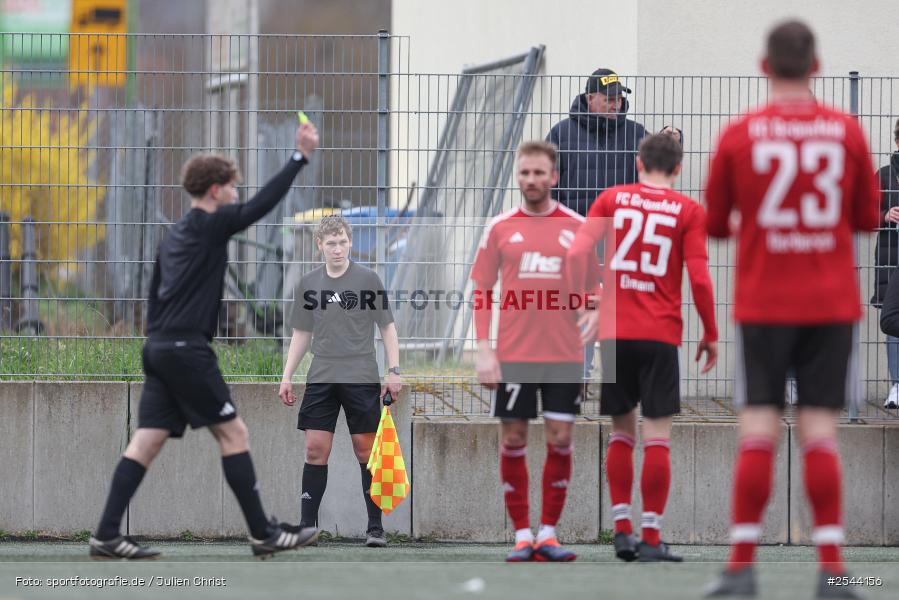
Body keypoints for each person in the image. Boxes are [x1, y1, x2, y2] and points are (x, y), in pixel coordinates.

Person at [702, 20, 879, 599]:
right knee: (819, 432)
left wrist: (759, 224)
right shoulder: (846, 131)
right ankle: (833, 572)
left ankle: (740, 569)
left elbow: (715, 224)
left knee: (758, 428)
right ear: (817, 67)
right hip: (830, 302)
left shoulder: (740, 133)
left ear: (763, 66)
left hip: (764, 301)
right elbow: (867, 218)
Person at [89, 123, 321, 560]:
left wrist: (162, 345)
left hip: (158, 348)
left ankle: (105, 534)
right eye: (232, 186)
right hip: (185, 351)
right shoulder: (212, 225)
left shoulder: (175, 233)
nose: (237, 193)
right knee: (234, 433)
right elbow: (262, 205)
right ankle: (263, 533)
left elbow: (154, 295)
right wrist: (299, 157)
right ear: (215, 190)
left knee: (147, 439)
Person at [566, 133, 718, 563]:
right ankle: (651, 536)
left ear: (638, 163)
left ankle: (621, 530)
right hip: (660, 334)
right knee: (657, 438)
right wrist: (710, 332)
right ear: (678, 168)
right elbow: (700, 278)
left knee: (621, 432)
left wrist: (589, 295)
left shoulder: (612, 199)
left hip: (615, 331)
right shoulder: (689, 210)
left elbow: (576, 253)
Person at [471, 140, 600, 563]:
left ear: (554, 176)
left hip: (565, 356)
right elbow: (481, 291)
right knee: (513, 437)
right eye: (525, 172)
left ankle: (548, 534)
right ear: (518, 176)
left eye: (539, 172)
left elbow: (594, 287)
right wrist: (484, 350)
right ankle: (522, 535)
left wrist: (595, 311)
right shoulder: (499, 227)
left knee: (561, 437)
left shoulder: (578, 227)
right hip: (514, 356)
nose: (531, 179)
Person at [279, 215, 402, 548]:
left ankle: (375, 528)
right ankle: (307, 528)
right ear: (320, 244)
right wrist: (287, 376)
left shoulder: (368, 279)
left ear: (350, 242)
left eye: (343, 242)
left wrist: (394, 371)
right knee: (315, 449)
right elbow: (301, 333)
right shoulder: (308, 283)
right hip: (322, 376)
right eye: (331, 243)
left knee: (365, 450)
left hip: (360, 375)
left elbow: (387, 327)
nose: (338, 249)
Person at [871, 118, 899, 409]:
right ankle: (897, 384)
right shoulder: (884, 175)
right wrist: (885, 215)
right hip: (892, 257)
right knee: (893, 320)